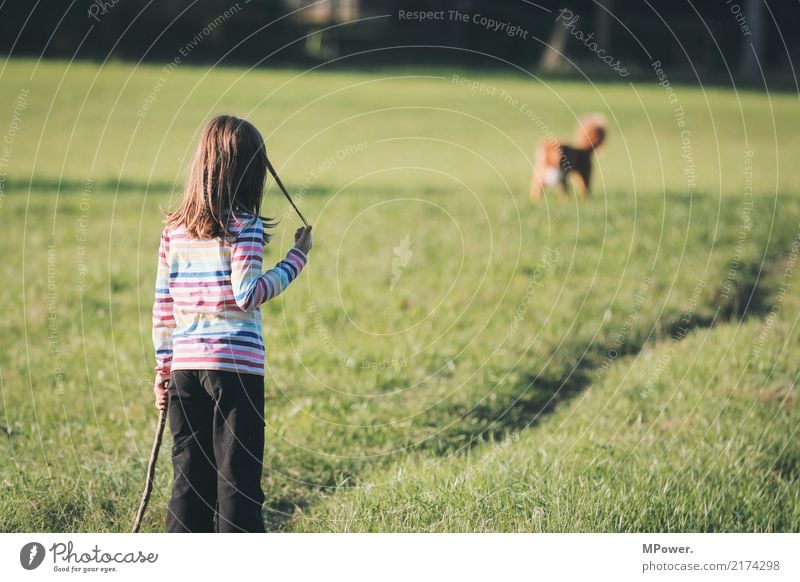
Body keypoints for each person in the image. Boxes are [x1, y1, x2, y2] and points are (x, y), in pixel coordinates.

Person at [151, 114, 313, 533]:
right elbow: (248, 294)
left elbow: (163, 306)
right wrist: (297, 259)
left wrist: (163, 370)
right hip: (235, 371)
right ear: (249, 175)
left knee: (189, 475)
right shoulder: (246, 227)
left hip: (185, 370)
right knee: (237, 481)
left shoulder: (174, 231)